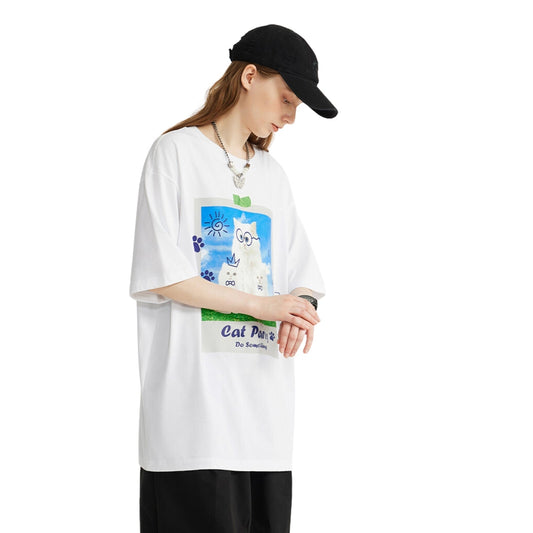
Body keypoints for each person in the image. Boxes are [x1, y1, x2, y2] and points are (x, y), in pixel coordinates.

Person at [129, 23, 338, 533]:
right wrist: (265, 306)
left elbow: (304, 277)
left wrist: (301, 309)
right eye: (286, 99)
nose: (291, 117)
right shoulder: (174, 154)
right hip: (192, 428)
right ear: (249, 77)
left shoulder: (273, 176)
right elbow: (163, 275)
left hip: (265, 426)